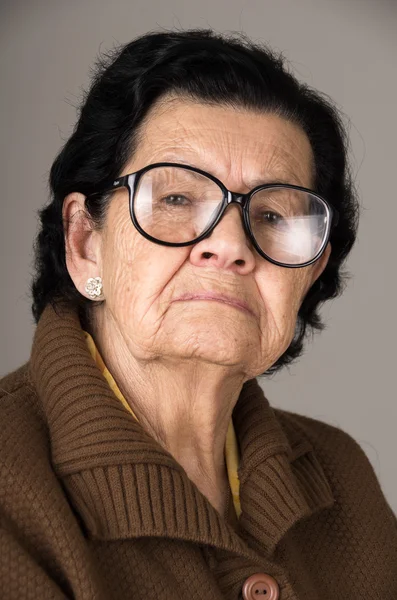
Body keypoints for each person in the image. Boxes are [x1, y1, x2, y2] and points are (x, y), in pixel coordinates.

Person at [1, 28, 396, 600]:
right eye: (177, 199)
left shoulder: (343, 478)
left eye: (274, 217)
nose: (230, 245)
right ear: (86, 241)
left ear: (307, 275)